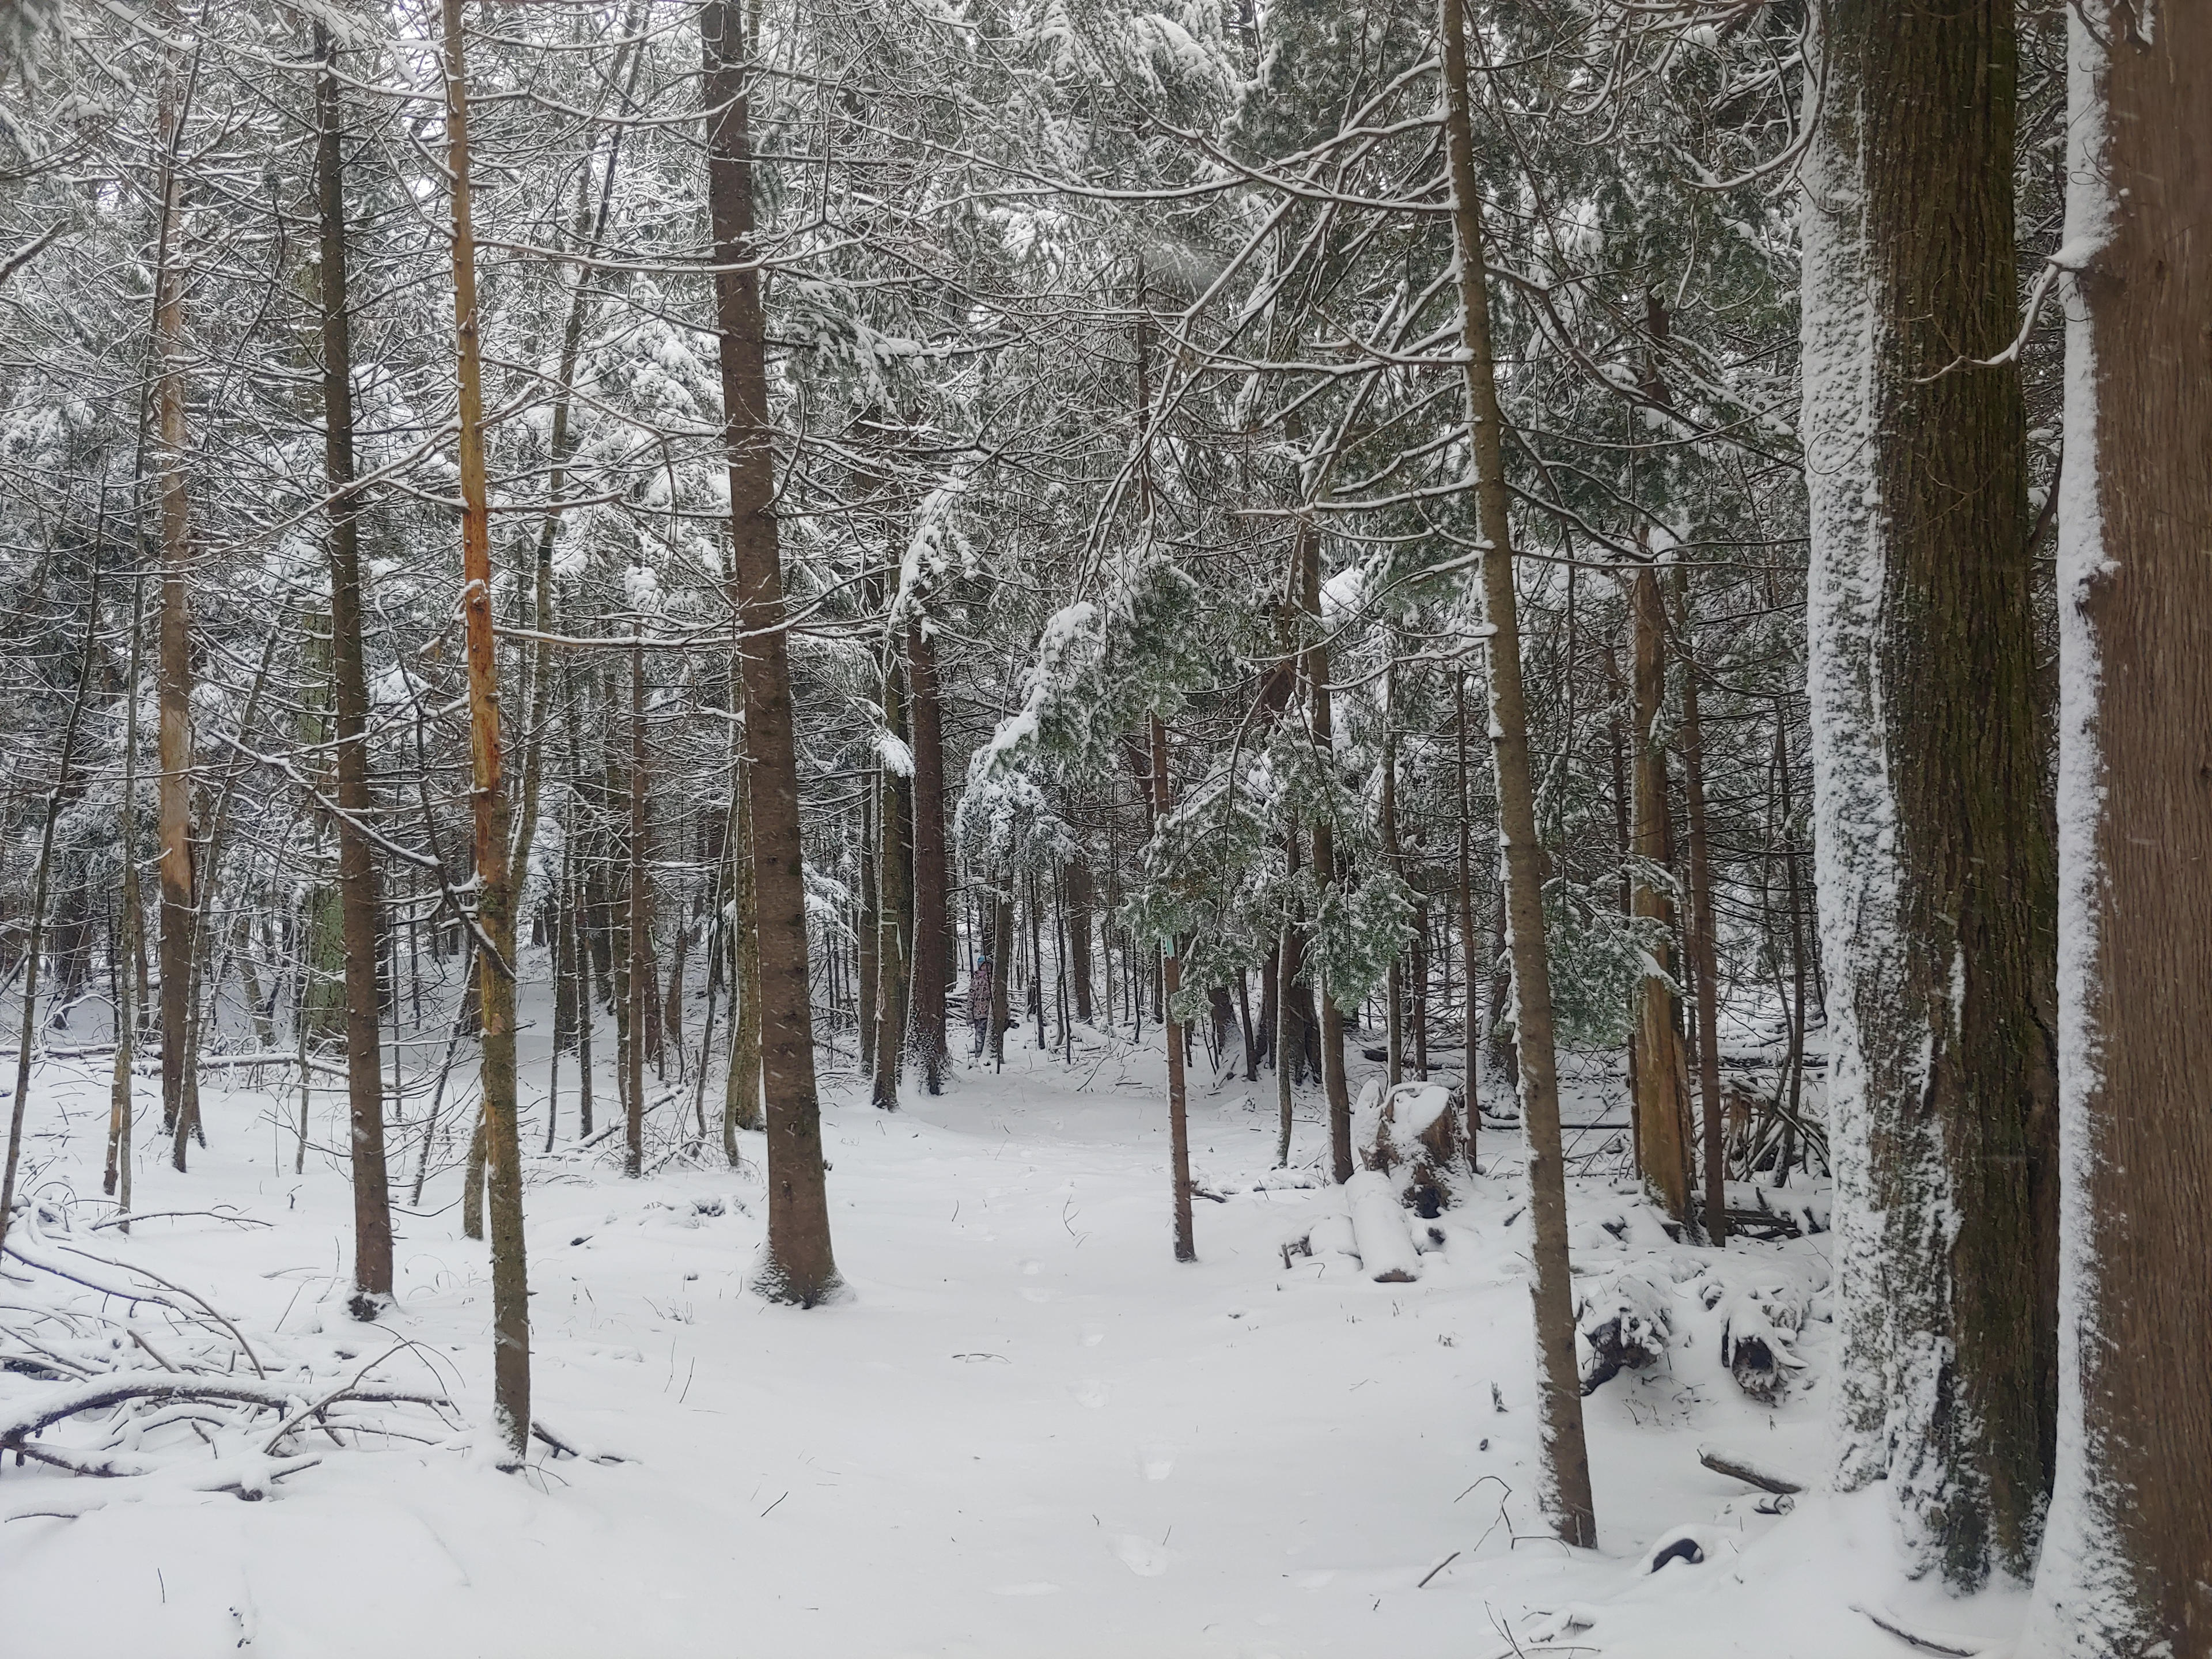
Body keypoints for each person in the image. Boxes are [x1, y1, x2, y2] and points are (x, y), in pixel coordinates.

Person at [967, 954, 994, 1057]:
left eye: (989, 965)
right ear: (980, 966)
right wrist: (969, 1014)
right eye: (984, 965)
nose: (987, 968)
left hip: (990, 1014)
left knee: (990, 1036)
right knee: (979, 1036)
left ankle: (989, 1055)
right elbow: (970, 998)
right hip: (977, 1015)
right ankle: (979, 1056)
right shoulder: (975, 981)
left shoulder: (993, 980)